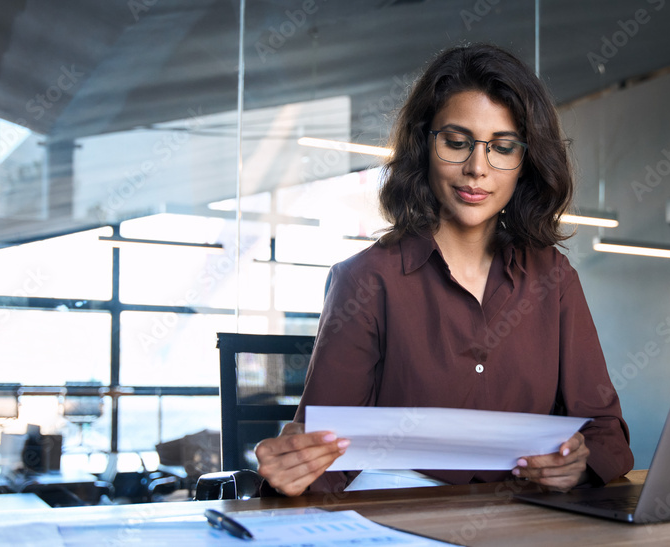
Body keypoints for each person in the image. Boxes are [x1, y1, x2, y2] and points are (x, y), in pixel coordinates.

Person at [255, 43, 633, 496]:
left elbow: (606, 432)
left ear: (524, 163)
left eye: (503, 147)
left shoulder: (554, 278)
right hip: (401, 515)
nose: (477, 168)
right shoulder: (366, 279)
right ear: (424, 146)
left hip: (528, 521)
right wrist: (292, 469)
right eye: (456, 142)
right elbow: (321, 459)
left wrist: (578, 465)